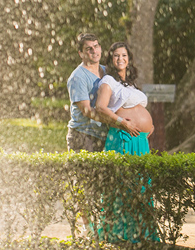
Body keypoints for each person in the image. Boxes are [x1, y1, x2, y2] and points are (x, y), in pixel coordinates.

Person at [94, 41, 158, 243]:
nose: (120, 59)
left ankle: (141, 232)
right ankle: (120, 233)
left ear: (129, 59)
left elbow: (138, 109)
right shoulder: (108, 81)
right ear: (111, 60)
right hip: (122, 137)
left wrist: (149, 125)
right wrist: (123, 123)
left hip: (139, 140)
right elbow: (101, 108)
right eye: (116, 56)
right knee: (123, 184)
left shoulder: (131, 84)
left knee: (141, 186)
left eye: (124, 55)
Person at [66, 33, 108, 152]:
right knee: (83, 171)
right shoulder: (78, 77)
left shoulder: (107, 71)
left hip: (102, 134)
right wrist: (117, 121)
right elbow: (87, 111)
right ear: (81, 53)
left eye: (96, 46)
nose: (94, 51)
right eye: (89, 49)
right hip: (82, 135)